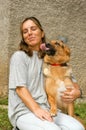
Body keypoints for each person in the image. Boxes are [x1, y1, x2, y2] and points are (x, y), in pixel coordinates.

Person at [8, 16, 85, 130]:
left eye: (33, 29)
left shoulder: (50, 57)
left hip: (49, 110)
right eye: (25, 31)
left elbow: (72, 80)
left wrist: (77, 92)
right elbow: (20, 89)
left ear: (42, 33)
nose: (29, 33)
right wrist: (37, 109)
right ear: (23, 38)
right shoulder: (19, 57)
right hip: (25, 111)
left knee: (78, 128)